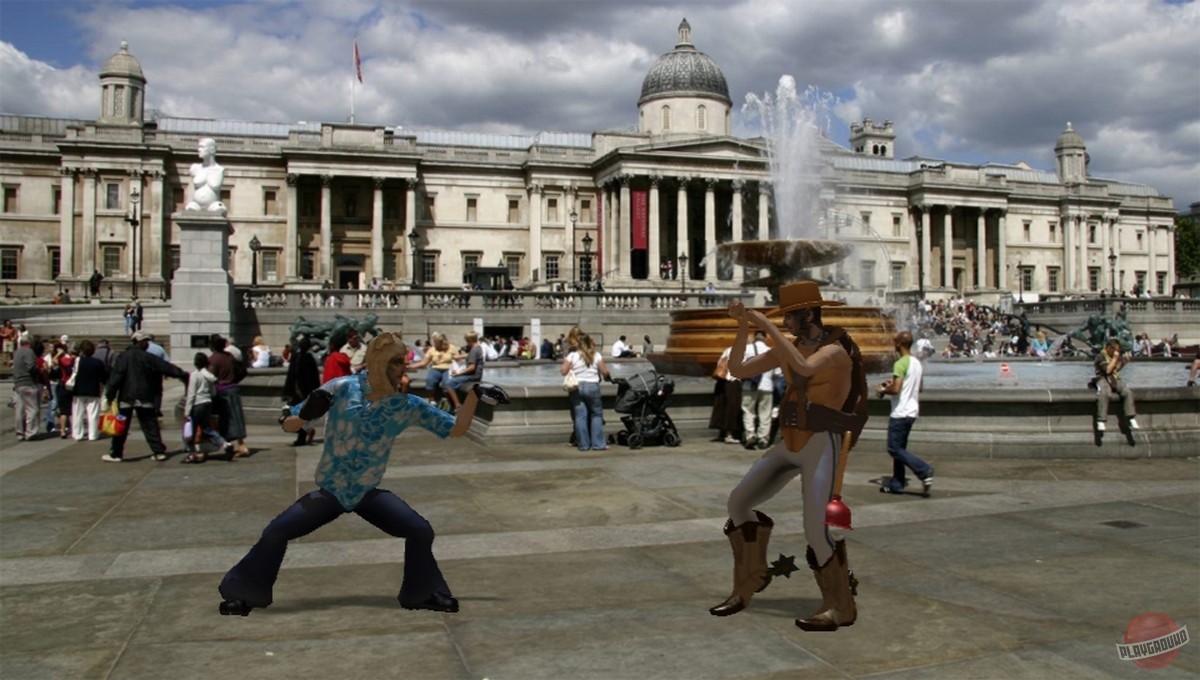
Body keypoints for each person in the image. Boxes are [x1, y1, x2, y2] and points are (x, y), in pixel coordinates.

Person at [217, 333, 510, 616]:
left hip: (366, 492)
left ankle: (421, 593)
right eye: (397, 361)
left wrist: (474, 396)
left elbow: (455, 428)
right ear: (378, 362)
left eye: (404, 360)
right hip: (331, 491)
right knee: (276, 532)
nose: (405, 366)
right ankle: (244, 592)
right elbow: (289, 424)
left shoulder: (405, 405)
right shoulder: (340, 388)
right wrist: (305, 415)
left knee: (419, 530)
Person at [711, 281, 868, 633]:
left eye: (789, 317)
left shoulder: (835, 351)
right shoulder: (791, 347)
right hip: (790, 443)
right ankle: (752, 576)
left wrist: (765, 325)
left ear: (808, 314)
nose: (785, 323)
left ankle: (841, 606)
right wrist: (743, 327)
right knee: (739, 502)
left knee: (815, 529)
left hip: (820, 444)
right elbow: (739, 369)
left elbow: (805, 369)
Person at [102, 331, 189, 462]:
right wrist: (183, 374)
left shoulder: (123, 357)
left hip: (126, 397)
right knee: (150, 425)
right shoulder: (147, 357)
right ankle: (158, 451)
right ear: (138, 342)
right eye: (145, 341)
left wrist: (110, 395)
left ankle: (116, 453)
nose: (147, 344)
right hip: (145, 396)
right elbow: (165, 367)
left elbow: (116, 377)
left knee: (122, 425)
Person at [875, 331, 934, 496]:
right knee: (900, 449)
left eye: (895, 341)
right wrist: (895, 383)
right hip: (912, 411)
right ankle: (897, 484)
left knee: (893, 449)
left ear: (900, 343)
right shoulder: (916, 363)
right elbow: (919, 388)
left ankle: (924, 470)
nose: (894, 344)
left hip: (900, 412)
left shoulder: (900, 363)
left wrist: (882, 390)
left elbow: (896, 389)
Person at [182, 351, 234, 464]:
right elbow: (213, 392)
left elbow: (191, 394)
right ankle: (225, 444)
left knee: (190, 430)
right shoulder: (208, 376)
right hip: (207, 403)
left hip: (197, 404)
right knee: (207, 428)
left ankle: (191, 453)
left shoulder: (194, 375)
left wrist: (187, 411)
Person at [562, 332, 611, 451]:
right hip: (592, 386)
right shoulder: (596, 355)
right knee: (596, 415)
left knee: (580, 416)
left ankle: (583, 445)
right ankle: (598, 444)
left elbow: (563, 371)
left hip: (577, 387)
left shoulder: (572, 355)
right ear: (589, 343)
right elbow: (605, 372)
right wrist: (607, 377)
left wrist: (572, 368)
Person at [207, 334, 250, 457]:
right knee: (236, 417)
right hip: (233, 388)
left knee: (223, 419)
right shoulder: (229, 356)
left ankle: (231, 444)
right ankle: (241, 444)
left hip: (221, 391)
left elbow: (210, 376)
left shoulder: (213, 359)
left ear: (212, 346)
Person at [1093, 338, 1139, 434]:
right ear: (1109, 348)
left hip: (1113, 378)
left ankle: (1131, 417)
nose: (1116, 352)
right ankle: (1101, 420)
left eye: (1118, 350)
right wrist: (1115, 358)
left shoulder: (1113, 356)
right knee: (1105, 393)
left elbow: (1115, 369)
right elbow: (1107, 370)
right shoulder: (1100, 356)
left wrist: (1123, 362)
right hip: (1102, 378)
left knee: (1127, 392)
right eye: (1115, 350)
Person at [283, 337, 320, 446]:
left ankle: (302, 436)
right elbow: (314, 378)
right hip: (301, 392)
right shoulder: (303, 358)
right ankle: (306, 432)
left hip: (301, 392)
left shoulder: (300, 358)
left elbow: (291, 376)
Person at [740, 330, 773, 450]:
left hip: (750, 386)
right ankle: (763, 439)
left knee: (748, 411)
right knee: (765, 413)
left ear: (754, 337)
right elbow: (778, 372)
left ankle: (750, 436)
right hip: (767, 386)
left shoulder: (747, 349)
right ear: (766, 338)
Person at [70, 339, 107, 442]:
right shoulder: (98, 363)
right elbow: (103, 378)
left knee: (77, 413)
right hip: (93, 389)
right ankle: (93, 434)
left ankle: (77, 434)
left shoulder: (77, 361)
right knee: (93, 413)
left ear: (81, 350)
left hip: (79, 389)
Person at [407, 331, 457, 404]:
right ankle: (431, 399)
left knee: (447, 383)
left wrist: (456, 369)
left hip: (448, 369)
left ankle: (448, 401)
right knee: (430, 379)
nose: (433, 343)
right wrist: (410, 366)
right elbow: (423, 363)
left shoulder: (452, 348)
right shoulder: (432, 350)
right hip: (436, 368)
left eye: (435, 341)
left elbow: (458, 360)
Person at [11, 337, 45, 440]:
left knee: (19, 409)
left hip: (18, 383)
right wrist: (40, 370)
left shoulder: (17, 352)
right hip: (28, 382)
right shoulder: (29, 352)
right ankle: (30, 432)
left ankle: (20, 432)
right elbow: (31, 367)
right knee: (32, 409)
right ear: (29, 343)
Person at [709, 345, 742, 444]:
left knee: (722, 407)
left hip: (722, 381)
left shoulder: (728, 350)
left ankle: (722, 433)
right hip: (733, 381)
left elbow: (720, 363)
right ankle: (730, 434)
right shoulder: (744, 351)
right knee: (732, 408)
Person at [444, 331, 484, 412]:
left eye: (466, 340)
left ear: (469, 340)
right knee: (454, 384)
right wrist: (459, 357)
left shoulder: (473, 350)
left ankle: (457, 405)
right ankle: (452, 403)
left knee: (448, 383)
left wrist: (458, 374)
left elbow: (471, 368)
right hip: (477, 375)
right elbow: (469, 355)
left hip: (472, 376)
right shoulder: (478, 347)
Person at [186, 137, 226, 212]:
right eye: (199, 147)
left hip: (214, 206)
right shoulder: (195, 168)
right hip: (195, 205)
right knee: (189, 209)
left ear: (212, 150)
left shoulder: (220, 169)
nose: (199, 150)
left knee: (219, 209)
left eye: (202, 147)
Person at [55, 343, 76, 439]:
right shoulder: (75, 360)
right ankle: (74, 430)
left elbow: (54, 361)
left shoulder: (63, 360)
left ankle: (62, 431)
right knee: (73, 410)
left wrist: (58, 354)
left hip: (64, 384)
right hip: (73, 385)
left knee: (63, 411)